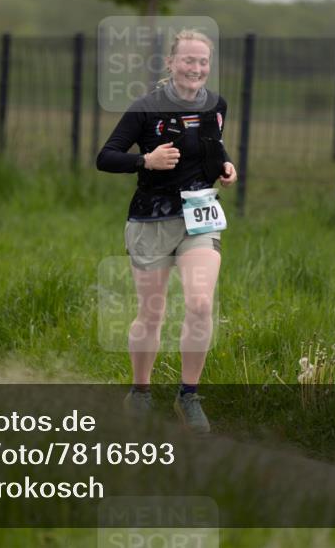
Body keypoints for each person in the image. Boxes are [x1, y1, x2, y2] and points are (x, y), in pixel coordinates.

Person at [96, 29, 237, 434]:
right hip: (151, 219)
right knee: (151, 312)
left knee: (200, 304)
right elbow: (106, 157)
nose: (196, 68)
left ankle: (188, 396)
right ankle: (140, 391)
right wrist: (146, 160)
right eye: (189, 60)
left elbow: (212, 145)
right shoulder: (145, 108)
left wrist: (225, 167)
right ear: (171, 63)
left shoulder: (216, 105)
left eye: (203, 61)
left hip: (199, 219)